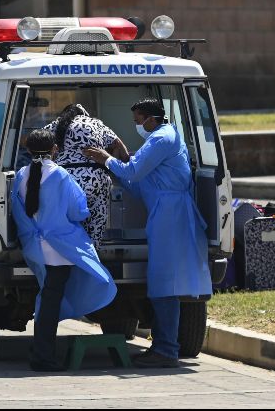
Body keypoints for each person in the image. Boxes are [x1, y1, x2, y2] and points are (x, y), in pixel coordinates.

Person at [84, 98, 212, 368]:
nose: (137, 126)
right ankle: (165, 346)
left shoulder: (162, 138)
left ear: (151, 119)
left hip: (171, 215)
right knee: (162, 284)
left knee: (164, 285)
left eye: (138, 120)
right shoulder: (160, 139)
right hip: (162, 212)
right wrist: (119, 164)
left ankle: (166, 349)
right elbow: (138, 181)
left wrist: (108, 160)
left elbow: (133, 170)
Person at [11, 129, 116, 372]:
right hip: (60, 250)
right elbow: (78, 211)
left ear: (28, 150)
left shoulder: (20, 175)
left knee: (48, 295)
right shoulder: (61, 175)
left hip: (34, 248)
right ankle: (42, 356)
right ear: (55, 150)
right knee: (51, 300)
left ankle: (40, 349)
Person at [44, 104, 130, 248]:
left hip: (65, 179)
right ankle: (92, 254)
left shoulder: (57, 124)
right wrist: (125, 160)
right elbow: (118, 144)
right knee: (95, 224)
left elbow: (37, 140)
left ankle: (69, 256)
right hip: (95, 178)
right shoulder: (96, 123)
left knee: (67, 224)